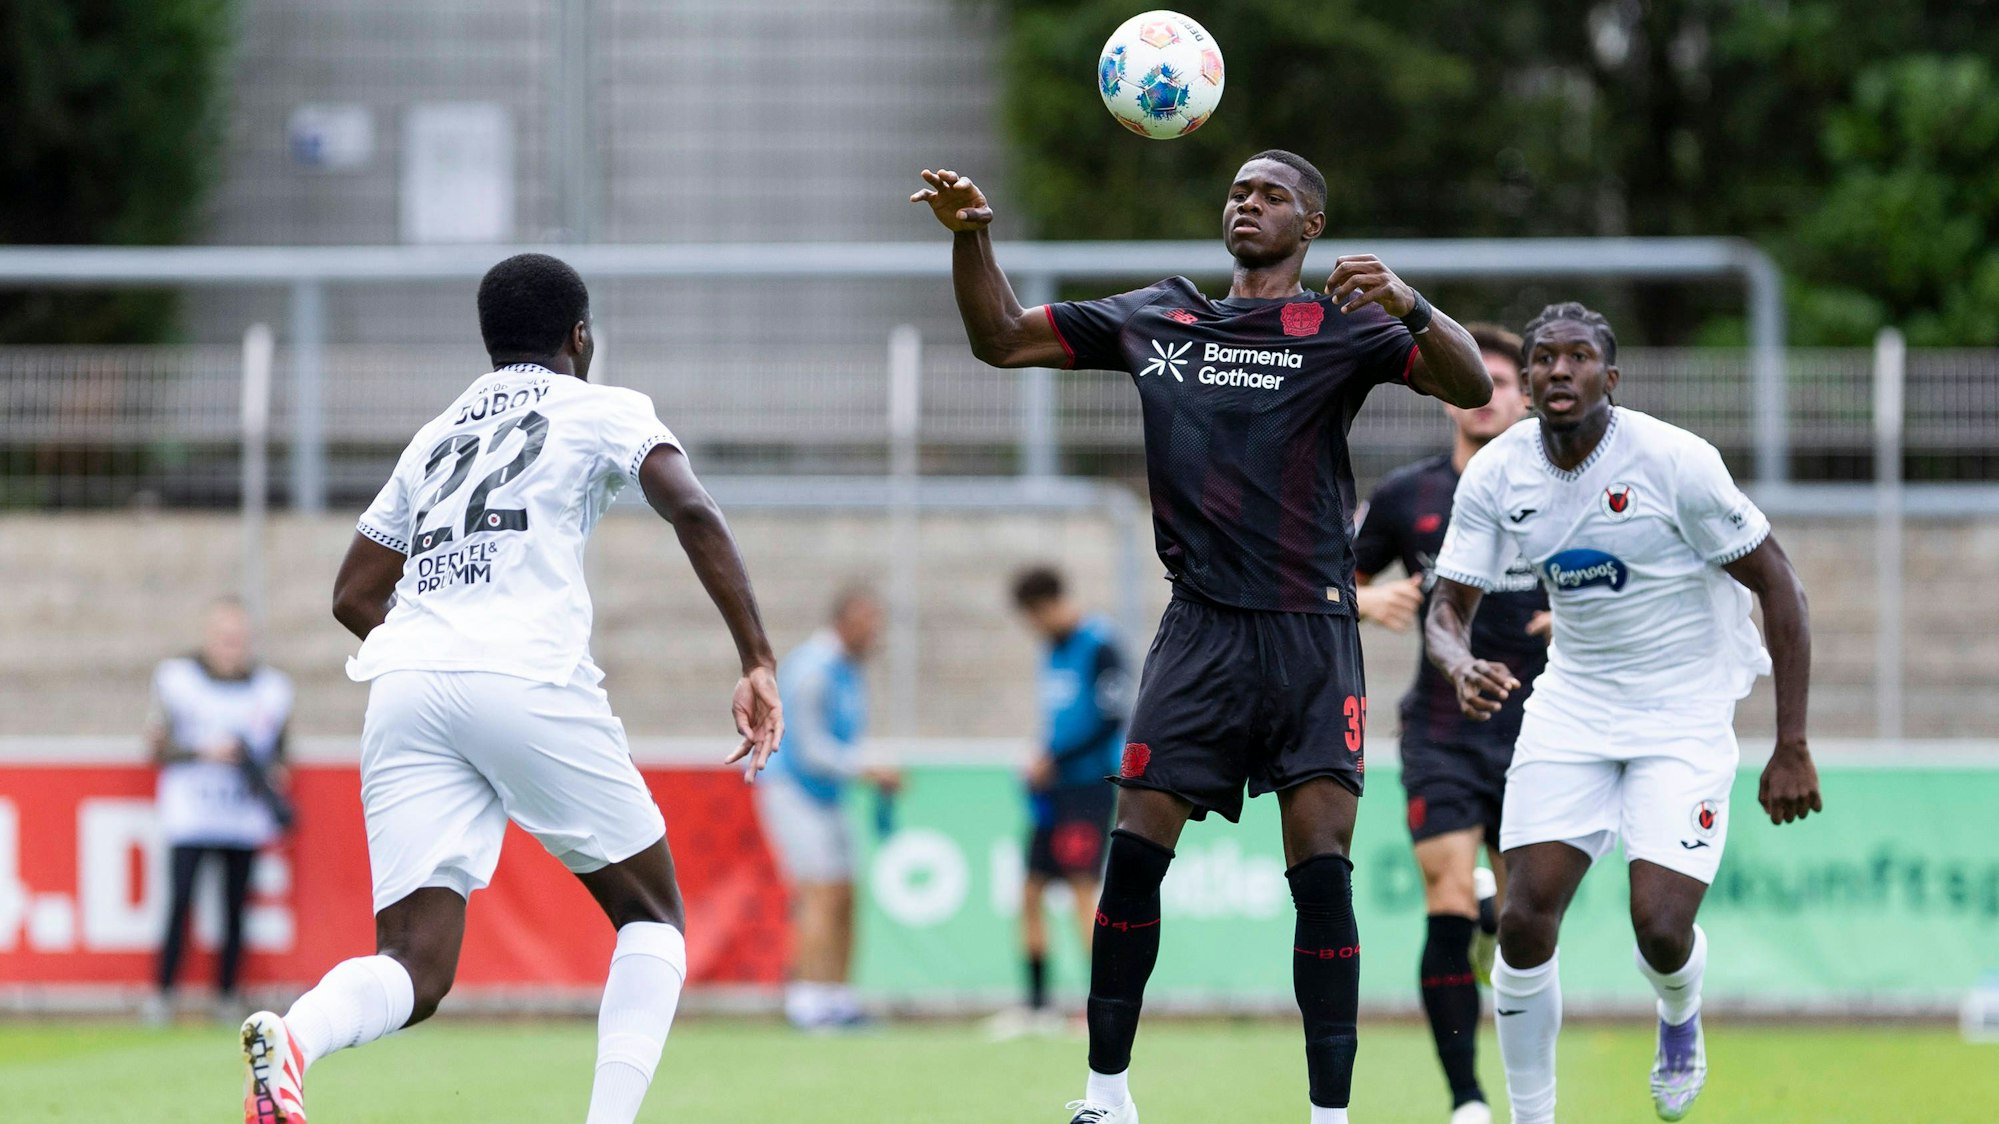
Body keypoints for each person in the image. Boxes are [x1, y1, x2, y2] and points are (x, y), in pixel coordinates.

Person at [912, 150, 1495, 1124]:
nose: (1246, 203)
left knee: (1320, 867)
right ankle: (1106, 1094)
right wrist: (973, 236)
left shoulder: (1344, 326)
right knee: (1133, 849)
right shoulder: (1159, 313)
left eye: (1270, 194)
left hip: (1311, 626)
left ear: (1310, 225)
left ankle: (1328, 1113)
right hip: (1200, 628)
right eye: (1236, 191)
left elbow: (1469, 382)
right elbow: (1001, 340)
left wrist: (1405, 301)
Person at [238, 253, 784, 1124]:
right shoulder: (603, 407)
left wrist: (442, 651)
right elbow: (692, 509)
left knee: (416, 967)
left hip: (406, 684)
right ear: (579, 335)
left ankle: (292, 1039)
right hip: (524, 674)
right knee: (651, 917)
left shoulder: (438, 431)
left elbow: (351, 594)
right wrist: (757, 656)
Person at [1425, 302, 1822, 1124]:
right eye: (1541, 360)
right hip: (1572, 704)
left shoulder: (1674, 461)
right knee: (1523, 922)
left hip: (1681, 710)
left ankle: (1678, 1013)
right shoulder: (1497, 472)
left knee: (1659, 928)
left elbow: (1780, 585)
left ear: (1611, 378)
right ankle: (1533, 1117)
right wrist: (1458, 664)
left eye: (1577, 359)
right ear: (1526, 380)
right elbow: (1446, 609)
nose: (1556, 372)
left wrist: (1791, 743)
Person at [1352, 325, 1546, 1123]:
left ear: (1527, 398)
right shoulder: (1407, 496)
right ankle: (1466, 1099)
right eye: (1479, 379)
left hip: (1543, 731)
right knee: (1445, 897)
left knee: (1526, 919)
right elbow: (1332, 582)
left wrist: (1586, 618)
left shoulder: (1562, 487)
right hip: (1440, 729)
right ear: (1447, 393)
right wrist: (1362, 600)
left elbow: (1628, 576)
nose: (1489, 393)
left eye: (1505, 381)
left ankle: (1496, 934)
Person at [987, 566, 1128, 1039]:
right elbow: (1062, 719)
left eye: (1032, 617)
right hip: (1053, 790)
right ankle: (1037, 1006)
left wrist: (1055, 758)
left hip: (1089, 789)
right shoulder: (1051, 648)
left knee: (1083, 893)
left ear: (1045, 607)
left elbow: (1111, 721)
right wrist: (1040, 760)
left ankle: (1102, 1007)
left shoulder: (1101, 644)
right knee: (1029, 890)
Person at [756, 587, 902, 1031]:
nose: (875, 632)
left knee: (845, 892)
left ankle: (838, 997)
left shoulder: (849, 671)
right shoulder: (813, 670)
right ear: (844, 621)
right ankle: (807, 1000)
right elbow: (808, 748)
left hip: (828, 794)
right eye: (867, 622)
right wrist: (867, 767)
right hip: (793, 790)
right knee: (819, 891)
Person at [146, 597, 294, 1024]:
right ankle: (164, 993)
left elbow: (283, 756)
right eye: (224, 637)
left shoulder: (271, 690)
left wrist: (272, 774)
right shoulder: (177, 680)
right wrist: (204, 751)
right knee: (180, 904)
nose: (231, 647)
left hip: (242, 817)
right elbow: (156, 746)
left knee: (235, 911)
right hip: (191, 813)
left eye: (237, 639)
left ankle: (227, 996)